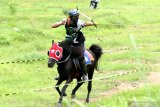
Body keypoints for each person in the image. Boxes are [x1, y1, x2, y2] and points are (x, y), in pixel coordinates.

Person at [51, 9, 96, 81]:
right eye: (76, 17)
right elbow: (52, 26)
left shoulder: (79, 22)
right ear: (71, 17)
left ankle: (84, 74)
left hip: (79, 42)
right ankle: (60, 74)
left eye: (78, 16)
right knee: (61, 54)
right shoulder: (66, 21)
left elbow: (85, 23)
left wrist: (93, 24)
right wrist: (60, 23)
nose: (77, 18)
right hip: (69, 41)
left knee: (80, 57)